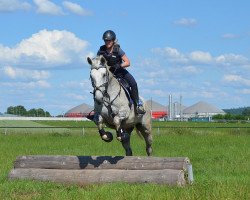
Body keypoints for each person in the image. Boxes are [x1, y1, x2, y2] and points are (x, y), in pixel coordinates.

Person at [97, 30, 145, 115]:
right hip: (107, 75)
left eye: (109, 40)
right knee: (97, 87)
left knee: (133, 83)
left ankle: (137, 105)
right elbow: (97, 62)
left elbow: (127, 62)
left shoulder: (118, 50)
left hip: (120, 72)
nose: (107, 42)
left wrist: (118, 66)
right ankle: (97, 111)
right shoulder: (101, 50)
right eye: (105, 40)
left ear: (113, 40)